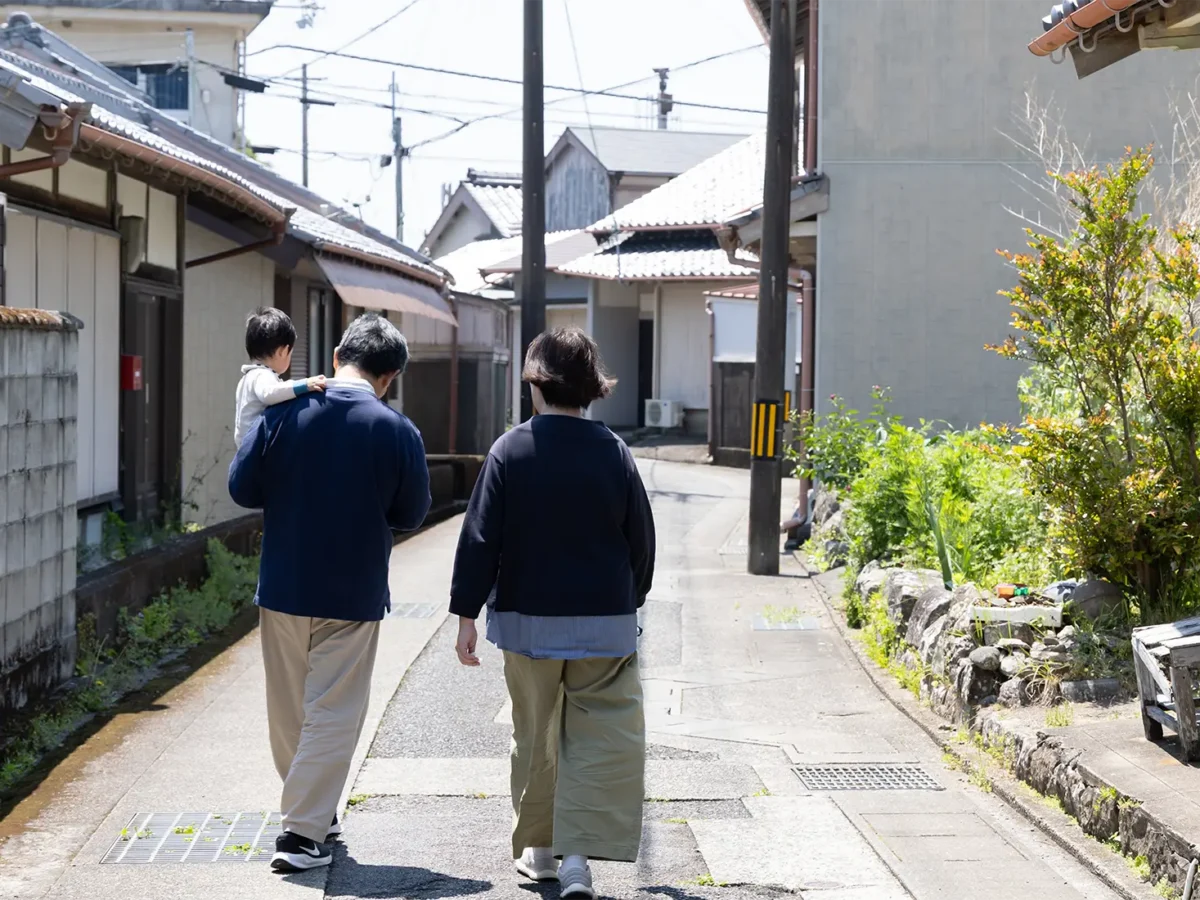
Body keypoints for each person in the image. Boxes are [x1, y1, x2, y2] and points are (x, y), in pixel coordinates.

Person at [450, 326, 656, 900]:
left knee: (535, 733)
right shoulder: (614, 451)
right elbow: (641, 541)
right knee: (597, 739)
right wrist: (631, 598)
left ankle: (541, 852)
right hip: (605, 624)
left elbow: (480, 538)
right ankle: (577, 861)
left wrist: (466, 613)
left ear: (535, 385)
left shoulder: (509, 450)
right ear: (590, 388)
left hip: (528, 622)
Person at [228, 313, 431, 873]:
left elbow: (242, 487)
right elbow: (412, 513)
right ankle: (301, 833)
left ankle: (312, 813)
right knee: (333, 709)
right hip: (352, 590)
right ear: (389, 376)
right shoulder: (396, 429)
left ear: (338, 355)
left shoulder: (281, 412)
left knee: (289, 709)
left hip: (284, 584)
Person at [233, 307, 326, 447]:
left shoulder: (248, 377)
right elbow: (269, 393)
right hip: (257, 450)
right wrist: (305, 385)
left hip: (249, 448)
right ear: (282, 352)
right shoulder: (261, 375)